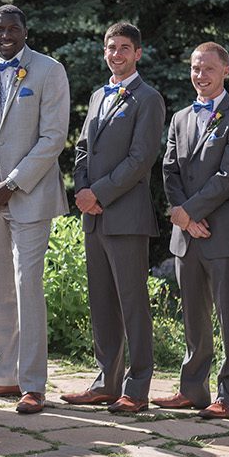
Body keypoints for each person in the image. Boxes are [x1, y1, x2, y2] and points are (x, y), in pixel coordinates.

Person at [0, 5, 70, 414]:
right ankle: (3, 376)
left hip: (30, 196)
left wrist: (14, 183)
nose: (5, 34)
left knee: (28, 286)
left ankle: (33, 384)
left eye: (13, 28)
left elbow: (54, 136)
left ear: (25, 30)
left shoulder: (48, 70)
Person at [63, 22, 165, 414]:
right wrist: (83, 191)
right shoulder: (97, 96)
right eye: (111, 47)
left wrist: (99, 193)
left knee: (132, 302)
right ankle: (105, 381)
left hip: (125, 215)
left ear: (137, 53)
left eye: (124, 48)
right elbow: (83, 149)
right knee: (101, 301)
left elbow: (141, 159)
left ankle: (136, 387)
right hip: (94, 216)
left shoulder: (148, 98)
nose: (116, 54)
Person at [154, 42, 229, 418]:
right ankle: (192, 389)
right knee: (193, 317)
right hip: (186, 237)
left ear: (225, 71)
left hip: (223, 234)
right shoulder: (180, 117)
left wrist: (189, 212)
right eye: (195, 68)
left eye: (208, 69)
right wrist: (183, 218)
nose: (200, 75)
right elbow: (169, 170)